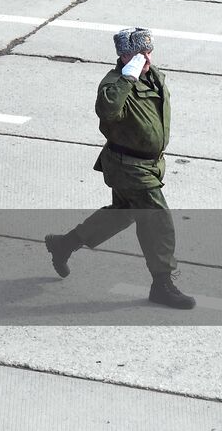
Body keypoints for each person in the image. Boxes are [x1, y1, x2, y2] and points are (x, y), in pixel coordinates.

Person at [45, 28, 194, 310]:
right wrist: (129, 75)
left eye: (148, 52)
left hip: (149, 164)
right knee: (156, 219)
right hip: (128, 165)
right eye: (139, 54)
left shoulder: (154, 76)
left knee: (123, 215)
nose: (146, 58)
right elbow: (108, 110)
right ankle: (162, 284)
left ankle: (64, 244)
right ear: (124, 55)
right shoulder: (114, 84)